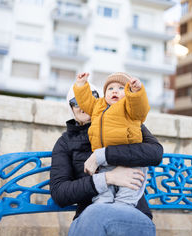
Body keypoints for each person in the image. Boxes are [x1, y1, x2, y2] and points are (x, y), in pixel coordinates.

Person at [50, 83, 163, 236]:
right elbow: (60, 193)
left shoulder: (127, 123)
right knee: (96, 214)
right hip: (90, 214)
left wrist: (102, 155)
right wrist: (107, 178)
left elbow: (155, 153)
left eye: (93, 96)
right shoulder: (65, 142)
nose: (82, 106)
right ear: (71, 109)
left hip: (133, 210)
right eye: (75, 103)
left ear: (100, 99)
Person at [73, 72, 150, 206]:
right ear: (105, 93)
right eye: (110, 88)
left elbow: (140, 108)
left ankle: (123, 209)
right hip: (105, 161)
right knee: (102, 195)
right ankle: (102, 208)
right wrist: (81, 85)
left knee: (128, 193)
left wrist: (136, 92)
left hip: (129, 160)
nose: (115, 91)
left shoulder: (129, 107)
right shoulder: (98, 105)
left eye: (121, 88)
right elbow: (85, 101)